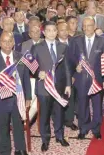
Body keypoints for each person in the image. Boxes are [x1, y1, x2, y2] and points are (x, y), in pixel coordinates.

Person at [0, 32, 32, 155]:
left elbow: (26, 78)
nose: (7, 44)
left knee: (18, 125)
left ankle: (20, 149)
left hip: (19, 98)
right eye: (4, 41)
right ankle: (4, 151)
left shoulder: (21, 57)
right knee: (3, 128)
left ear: (13, 43)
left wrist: (28, 97)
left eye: (10, 41)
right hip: (1, 99)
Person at [31, 21, 71, 152]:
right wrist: (38, 73)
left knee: (59, 113)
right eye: (49, 30)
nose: (52, 33)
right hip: (44, 88)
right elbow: (31, 66)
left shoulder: (63, 47)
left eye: (54, 30)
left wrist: (68, 84)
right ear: (44, 32)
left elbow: (66, 68)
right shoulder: (37, 47)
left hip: (59, 87)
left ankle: (60, 136)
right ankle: (45, 139)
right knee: (45, 115)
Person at [68, 17, 104, 140]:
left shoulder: (103, 41)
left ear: (95, 25)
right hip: (81, 80)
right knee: (82, 106)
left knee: (97, 106)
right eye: (84, 26)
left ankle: (96, 129)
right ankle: (83, 129)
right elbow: (70, 59)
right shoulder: (76, 41)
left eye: (89, 25)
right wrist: (75, 68)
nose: (86, 28)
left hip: (97, 80)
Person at [57, 22, 78, 130]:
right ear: (57, 31)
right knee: (58, 99)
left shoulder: (73, 41)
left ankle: (69, 121)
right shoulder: (54, 43)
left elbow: (77, 59)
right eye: (61, 30)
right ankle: (59, 120)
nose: (65, 32)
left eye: (66, 29)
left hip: (73, 75)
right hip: (58, 77)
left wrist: (74, 75)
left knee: (71, 98)